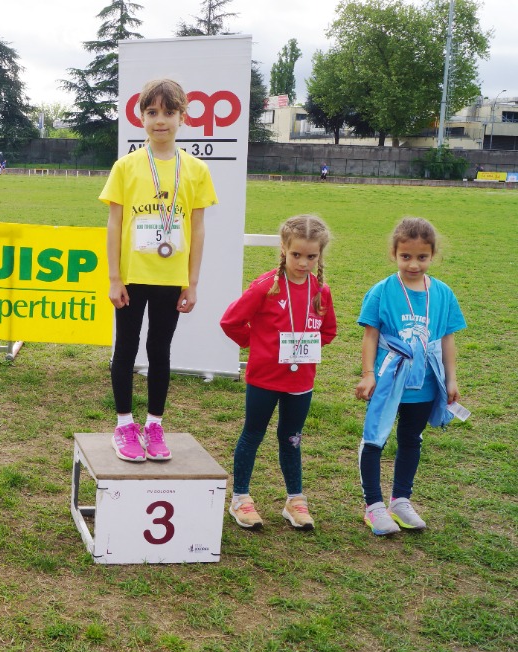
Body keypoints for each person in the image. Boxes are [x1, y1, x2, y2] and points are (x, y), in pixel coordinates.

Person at [100, 78, 218, 462]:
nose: (160, 120)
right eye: (152, 112)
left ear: (183, 117)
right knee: (126, 347)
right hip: (132, 276)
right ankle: (124, 425)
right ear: (141, 118)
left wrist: (192, 283)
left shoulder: (195, 170)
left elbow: (197, 228)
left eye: (169, 112)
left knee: (160, 349)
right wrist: (114, 277)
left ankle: (154, 424)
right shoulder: (126, 167)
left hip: (171, 278)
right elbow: (114, 224)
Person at [220, 215, 337, 529]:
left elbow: (328, 331)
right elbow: (230, 322)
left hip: (300, 381)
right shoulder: (265, 286)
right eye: (296, 254)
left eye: (311, 256)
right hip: (264, 379)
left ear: (320, 255)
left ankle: (295, 500)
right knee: (252, 434)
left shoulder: (321, 291)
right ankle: (240, 498)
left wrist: (306, 349)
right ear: (284, 248)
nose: (303, 262)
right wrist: (258, 345)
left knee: (292, 438)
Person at [354, 217, 465, 535]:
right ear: (394, 253)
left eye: (422, 257)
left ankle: (400, 501)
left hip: (425, 384)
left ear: (433, 255)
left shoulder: (443, 293)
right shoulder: (381, 291)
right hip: (388, 381)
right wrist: (368, 374)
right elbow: (370, 337)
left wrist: (451, 380)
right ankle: (374, 507)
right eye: (406, 256)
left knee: (411, 439)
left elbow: (447, 339)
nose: (413, 264)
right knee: (375, 438)